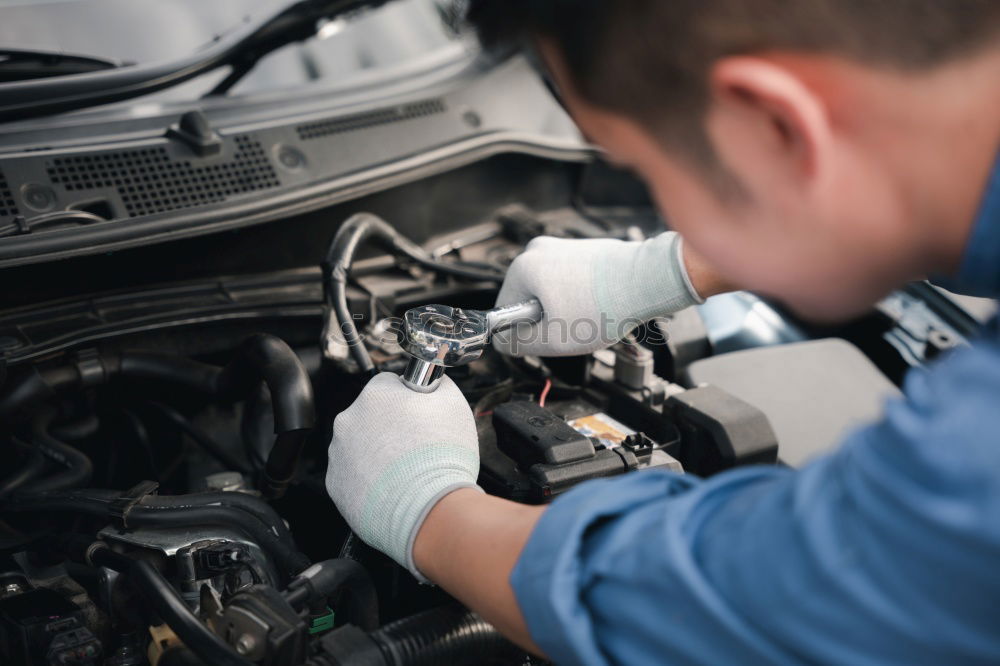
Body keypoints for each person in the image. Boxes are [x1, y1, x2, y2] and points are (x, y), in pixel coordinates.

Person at [325, 1, 1000, 663]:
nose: (660, 203)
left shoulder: (976, 458)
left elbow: (748, 602)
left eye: (645, 171)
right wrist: (674, 268)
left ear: (776, 125)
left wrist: (431, 515)